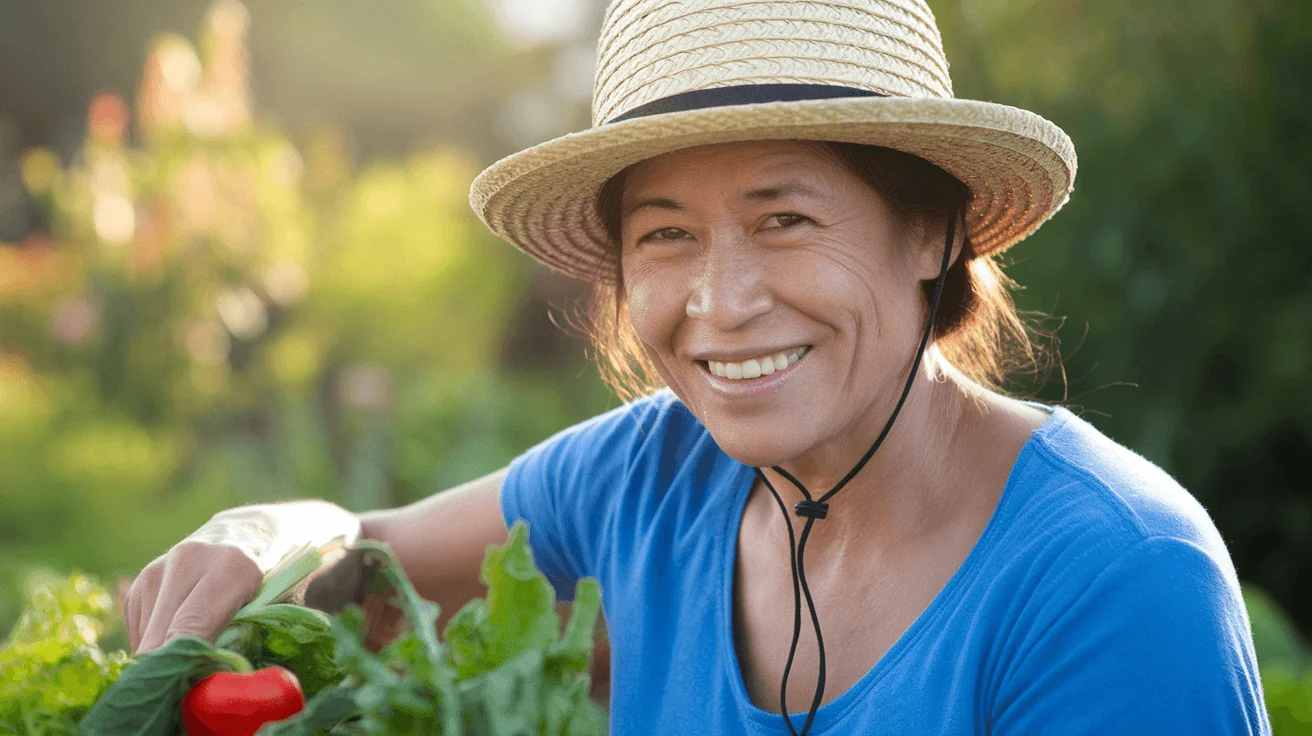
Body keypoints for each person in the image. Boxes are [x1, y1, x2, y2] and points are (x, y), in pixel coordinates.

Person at [122, 0, 1274, 733]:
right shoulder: (648, 479)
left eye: (783, 220)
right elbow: (365, 556)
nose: (719, 303)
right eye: (666, 234)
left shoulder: (1115, 580)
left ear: (932, 233)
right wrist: (260, 531)